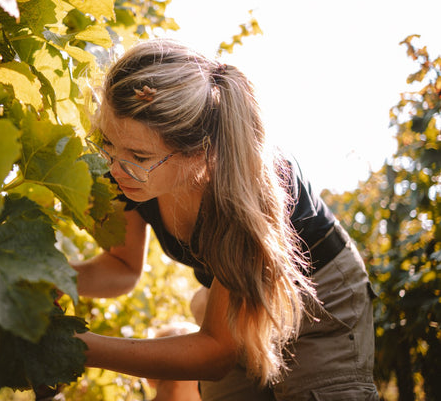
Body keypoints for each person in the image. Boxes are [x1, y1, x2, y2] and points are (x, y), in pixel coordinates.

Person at [71, 38, 379, 400]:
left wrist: (78, 347)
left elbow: (216, 352)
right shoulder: (125, 169)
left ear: (199, 154)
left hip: (317, 299)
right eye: (106, 144)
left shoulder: (244, 190)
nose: (114, 169)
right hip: (233, 305)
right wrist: (49, 279)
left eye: (137, 156)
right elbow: (122, 266)